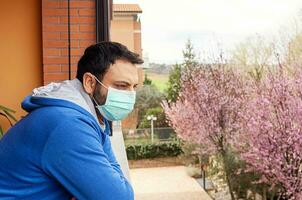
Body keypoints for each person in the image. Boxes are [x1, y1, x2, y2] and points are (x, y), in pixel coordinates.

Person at [0, 42, 144, 200]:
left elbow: (117, 180)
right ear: (90, 82)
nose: (130, 95)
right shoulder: (67, 123)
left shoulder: (89, 116)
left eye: (134, 87)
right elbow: (119, 197)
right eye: (122, 86)